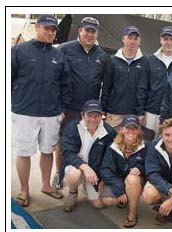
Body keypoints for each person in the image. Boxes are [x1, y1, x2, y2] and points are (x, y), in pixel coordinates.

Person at [11, 14, 71, 206]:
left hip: (51, 113)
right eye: (46, 28)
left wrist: (62, 110)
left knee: (47, 151)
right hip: (24, 112)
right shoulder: (19, 50)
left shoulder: (58, 54)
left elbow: (65, 84)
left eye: (53, 30)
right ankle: (24, 189)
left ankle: (46, 185)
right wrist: (15, 103)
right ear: (37, 27)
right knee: (24, 151)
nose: (50, 32)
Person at [52, 16, 111, 188]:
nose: (90, 35)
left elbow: (106, 85)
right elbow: (55, 78)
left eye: (93, 31)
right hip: (69, 107)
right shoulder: (64, 49)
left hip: (91, 111)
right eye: (87, 30)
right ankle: (59, 173)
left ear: (97, 33)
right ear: (80, 30)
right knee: (63, 143)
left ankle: (84, 175)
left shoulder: (103, 56)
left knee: (87, 143)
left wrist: (104, 108)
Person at [60, 100, 116, 212]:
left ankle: (87, 186)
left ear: (102, 116)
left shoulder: (109, 132)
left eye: (96, 116)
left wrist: (104, 179)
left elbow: (110, 159)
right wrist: (85, 167)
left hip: (95, 173)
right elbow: (68, 153)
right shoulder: (72, 127)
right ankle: (73, 192)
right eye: (89, 115)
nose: (93, 119)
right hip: (76, 167)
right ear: (82, 114)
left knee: (99, 204)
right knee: (74, 175)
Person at [100, 115, 147, 228]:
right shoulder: (113, 147)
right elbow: (105, 170)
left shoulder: (146, 146)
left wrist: (141, 169)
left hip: (136, 181)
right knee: (108, 200)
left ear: (139, 130)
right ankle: (125, 197)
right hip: (119, 180)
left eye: (134, 128)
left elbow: (152, 166)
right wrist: (119, 189)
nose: (131, 131)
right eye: (128, 127)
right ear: (122, 129)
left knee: (132, 179)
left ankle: (132, 213)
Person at [101, 26, 148, 130]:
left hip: (134, 114)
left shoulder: (145, 61)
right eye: (129, 38)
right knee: (111, 143)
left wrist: (141, 112)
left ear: (139, 41)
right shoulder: (112, 60)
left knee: (131, 144)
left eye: (135, 39)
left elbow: (143, 89)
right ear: (123, 39)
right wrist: (103, 110)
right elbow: (106, 86)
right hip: (114, 113)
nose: (132, 41)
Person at [144, 26, 172, 136]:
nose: (168, 42)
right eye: (166, 39)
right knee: (148, 143)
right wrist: (140, 111)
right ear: (161, 40)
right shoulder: (150, 60)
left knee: (168, 146)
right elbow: (143, 87)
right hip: (151, 112)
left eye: (171, 39)